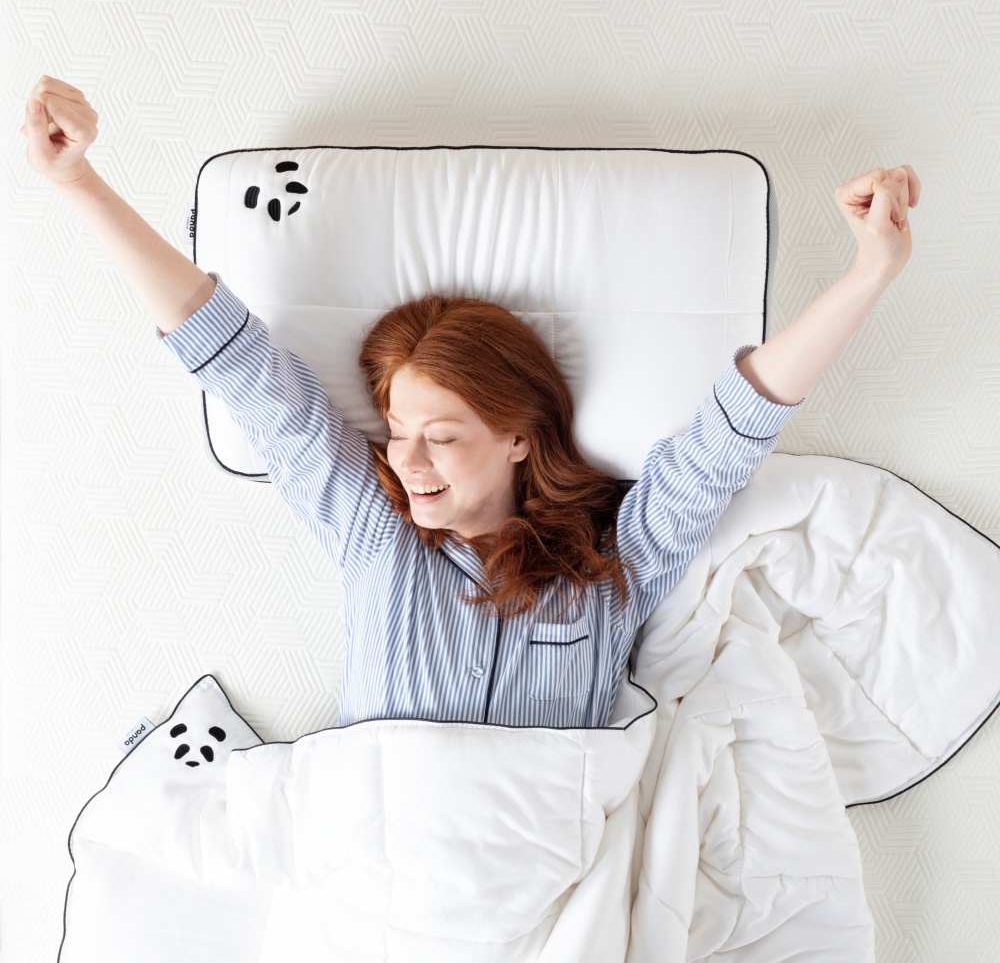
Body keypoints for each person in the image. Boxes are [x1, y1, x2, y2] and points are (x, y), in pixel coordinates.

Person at [21, 76, 919, 728]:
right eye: (398, 432)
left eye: (441, 437)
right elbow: (232, 359)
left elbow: (737, 426)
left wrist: (869, 272)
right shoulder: (373, 534)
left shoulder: (610, 569)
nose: (405, 462)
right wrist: (80, 185)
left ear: (520, 436)